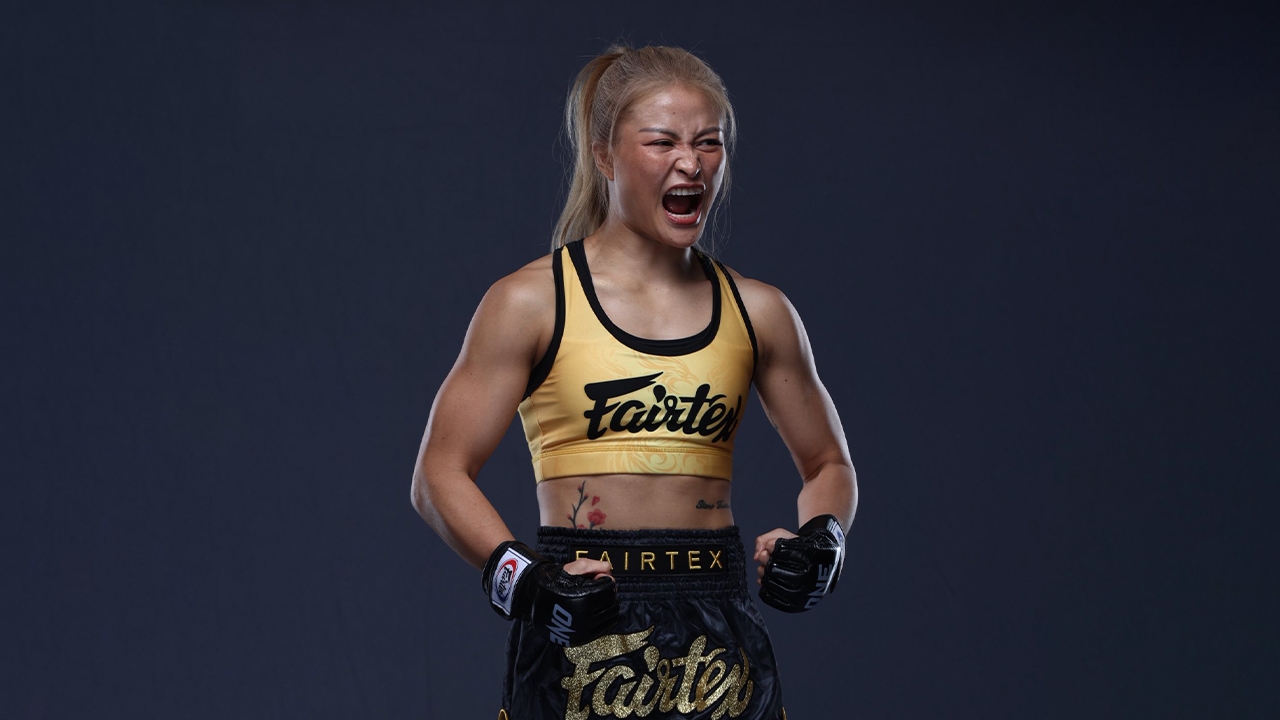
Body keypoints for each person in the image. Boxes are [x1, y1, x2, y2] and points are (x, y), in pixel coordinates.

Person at [411, 44, 857, 720]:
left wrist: (825, 538)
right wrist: (526, 582)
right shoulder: (531, 302)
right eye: (663, 141)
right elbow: (437, 474)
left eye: (709, 142)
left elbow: (828, 462)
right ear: (605, 156)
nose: (692, 163)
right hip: (581, 615)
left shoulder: (760, 310)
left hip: (717, 631)